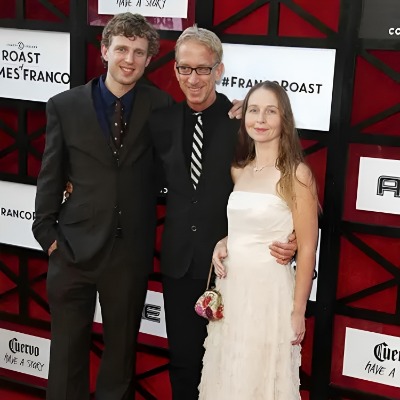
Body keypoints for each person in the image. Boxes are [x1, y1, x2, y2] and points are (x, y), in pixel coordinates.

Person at [149, 28, 297, 400]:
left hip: (236, 266)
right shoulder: (161, 122)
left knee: (234, 363)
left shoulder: (243, 124)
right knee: (183, 362)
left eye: (203, 69)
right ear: (176, 71)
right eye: (185, 69)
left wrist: (292, 234)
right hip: (180, 263)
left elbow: (286, 183)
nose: (193, 78)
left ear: (219, 70)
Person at [32, 13, 174, 400]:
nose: (129, 58)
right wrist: (47, 234)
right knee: (65, 360)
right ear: (104, 50)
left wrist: (237, 110)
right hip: (71, 251)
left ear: (148, 60)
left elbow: (179, 167)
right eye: (123, 48)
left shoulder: (162, 106)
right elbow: (50, 174)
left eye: (139, 52)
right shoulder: (64, 105)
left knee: (120, 361)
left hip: (128, 254)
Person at [198, 80, 319, 399]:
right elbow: (245, 224)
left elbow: (307, 248)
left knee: (262, 381)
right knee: (230, 375)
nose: (260, 119)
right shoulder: (240, 170)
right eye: (253, 110)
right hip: (233, 291)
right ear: (244, 117)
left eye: (270, 111)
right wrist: (223, 241)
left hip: (271, 296)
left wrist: (297, 311)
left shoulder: (297, 174)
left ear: (285, 119)